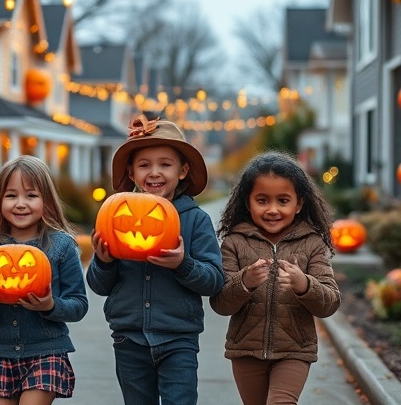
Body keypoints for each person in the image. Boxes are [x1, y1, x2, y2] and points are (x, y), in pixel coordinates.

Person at [86, 115, 224, 405]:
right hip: (129, 338)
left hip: (178, 339)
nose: (154, 172)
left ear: (183, 170)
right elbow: (99, 286)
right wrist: (104, 261)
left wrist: (183, 264)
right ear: (132, 172)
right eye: (144, 165)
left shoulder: (196, 220)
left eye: (165, 164)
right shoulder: (117, 213)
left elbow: (214, 280)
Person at [209, 151, 341, 405]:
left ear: (299, 204)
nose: (272, 209)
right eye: (262, 200)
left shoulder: (312, 244)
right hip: (245, 351)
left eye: (283, 200)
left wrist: (304, 285)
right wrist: (244, 282)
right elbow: (220, 303)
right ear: (248, 202)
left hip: (294, 350)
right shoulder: (235, 243)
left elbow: (330, 302)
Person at [0, 155, 88, 405]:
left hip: (46, 350)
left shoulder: (62, 245)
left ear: (46, 200)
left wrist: (50, 306)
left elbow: (79, 305)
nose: (20, 203)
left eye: (31, 195)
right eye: (11, 196)